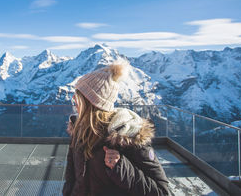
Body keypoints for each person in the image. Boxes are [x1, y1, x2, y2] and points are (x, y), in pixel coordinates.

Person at [63, 64, 169, 196]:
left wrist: (122, 167)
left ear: (92, 102)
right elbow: (71, 175)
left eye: (78, 95)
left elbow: (162, 192)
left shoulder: (129, 136)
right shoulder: (79, 130)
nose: (73, 98)